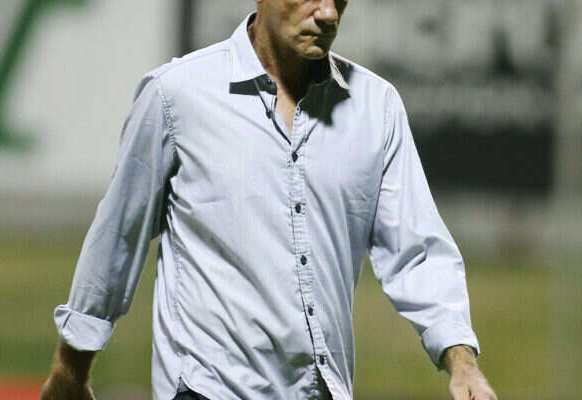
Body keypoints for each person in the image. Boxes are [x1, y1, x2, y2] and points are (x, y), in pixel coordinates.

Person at [40, 1, 498, 400]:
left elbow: (417, 253)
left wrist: (462, 363)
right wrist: (70, 369)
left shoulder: (376, 108)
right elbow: (117, 238)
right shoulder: (176, 96)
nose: (329, 13)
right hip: (207, 388)